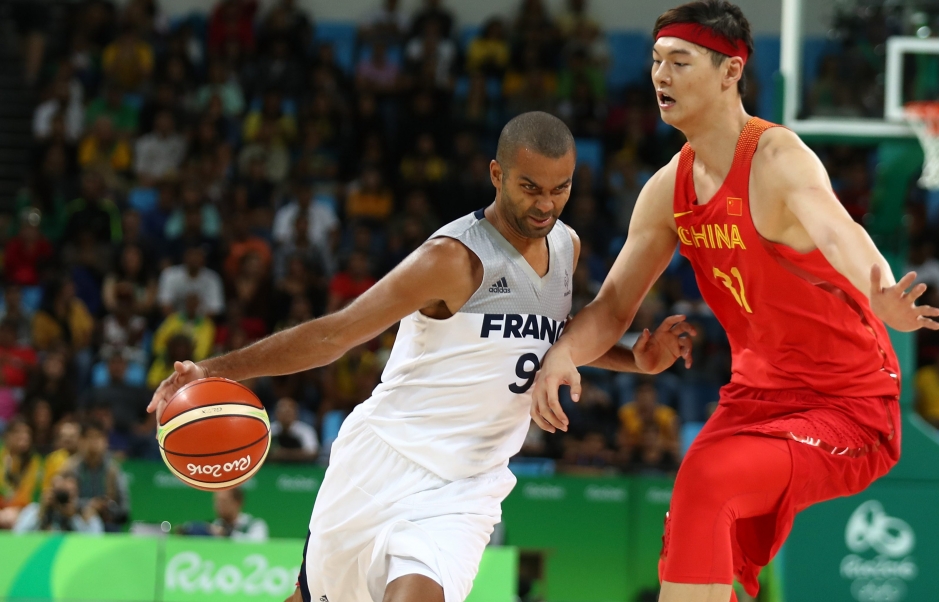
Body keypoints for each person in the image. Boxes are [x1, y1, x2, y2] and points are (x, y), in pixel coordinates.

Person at [148, 112, 692, 602]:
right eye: (530, 187)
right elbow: (334, 335)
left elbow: (549, 343)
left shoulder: (567, 246)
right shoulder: (451, 258)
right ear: (497, 175)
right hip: (385, 461)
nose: (546, 204)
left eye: (561, 188)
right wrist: (213, 369)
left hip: (468, 485)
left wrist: (633, 360)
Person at [529, 3, 939, 601]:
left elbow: (838, 230)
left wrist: (880, 290)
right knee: (695, 504)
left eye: (680, 61)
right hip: (753, 401)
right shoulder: (669, 187)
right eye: (655, 61)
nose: (660, 76)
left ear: (731, 72)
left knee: (707, 480)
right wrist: (565, 352)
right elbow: (614, 306)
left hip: (848, 406)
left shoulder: (777, 159)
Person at [65, 420, 131, 532]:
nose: (93, 443)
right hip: (76, 522)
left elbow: (124, 509)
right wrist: (89, 505)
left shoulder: (113, 470)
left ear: (105, 441)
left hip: (107, 525)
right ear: (81, 441)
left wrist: (107, 508)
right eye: (89, 437)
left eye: (98, 437)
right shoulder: (71, 467)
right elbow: (65, 502)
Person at [12, 471, 104, 534]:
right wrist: (41, 513)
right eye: (60, 492)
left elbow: (96, 541)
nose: (63, 498)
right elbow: (17, 536)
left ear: (77, 493)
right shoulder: (34, 510)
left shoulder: (86, 513)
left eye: (69, 493)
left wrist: (74, 518)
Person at [269, 397, 319, 463]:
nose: (285, 416)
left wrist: (284, 454)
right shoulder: (269, 431)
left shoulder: (306, 431)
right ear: (276, 414)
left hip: (301, 468)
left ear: (296, 414)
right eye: (282, 412)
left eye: (288, 412)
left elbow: (313, 453)